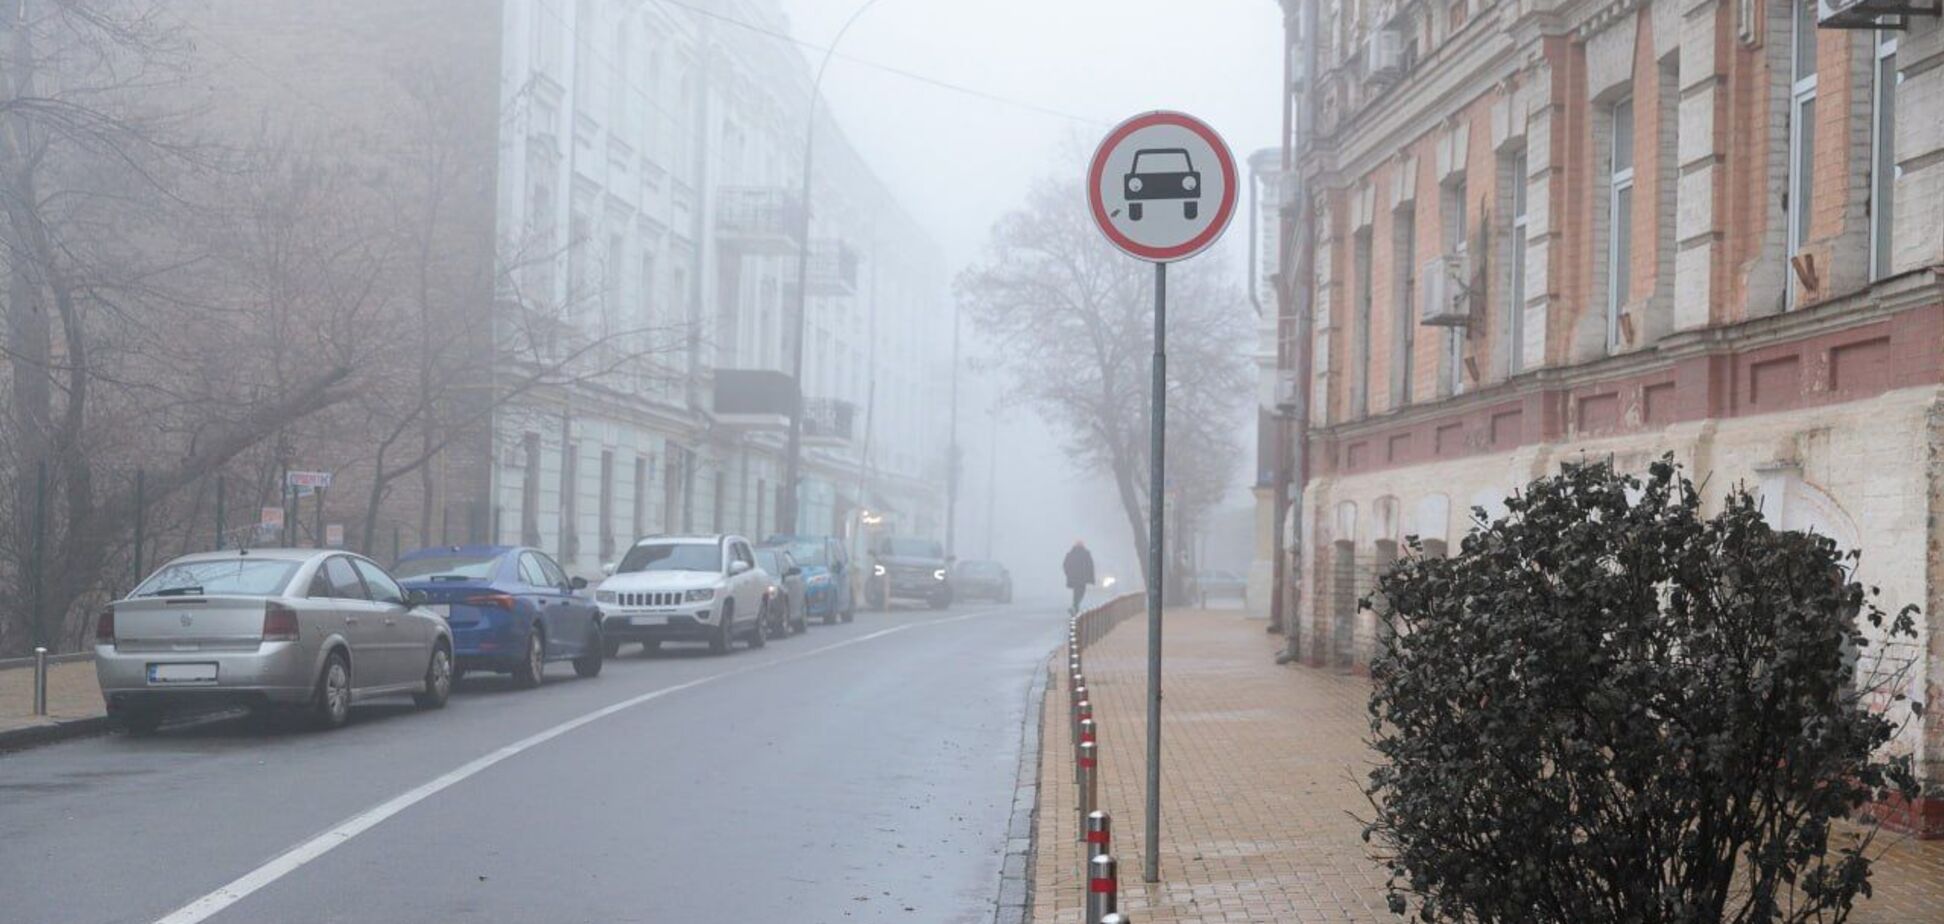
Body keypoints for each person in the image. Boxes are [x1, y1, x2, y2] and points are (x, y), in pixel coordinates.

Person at [1062, 540, 1095, 615]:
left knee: (1076, 593)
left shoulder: (1071, 554)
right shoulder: (1086, 554)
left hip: (1074, 578)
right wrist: (1090, 578)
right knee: (1081, 592)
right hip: (1083, 578)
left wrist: (1069, 574)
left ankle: (1075, 606)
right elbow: (1090, 566)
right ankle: (1075, 606)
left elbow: (1065, 565)